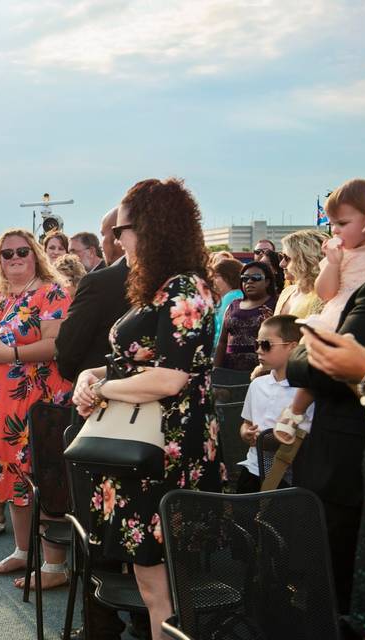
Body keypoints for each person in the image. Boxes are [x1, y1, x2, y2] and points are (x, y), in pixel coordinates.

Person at [73, 178, 224, 637]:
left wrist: (102, 390)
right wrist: (92, 376)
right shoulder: (161, 288)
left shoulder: (184, 290)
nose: (117, 240)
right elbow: (133, 363)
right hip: (147, 446)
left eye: (124, 230)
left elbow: (169, 378)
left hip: (168, 450)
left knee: (162, 588)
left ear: (154, 228)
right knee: (153, 584)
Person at [284, 180, 365, 622]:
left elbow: (315, 363)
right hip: (362, 466)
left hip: (349, 467)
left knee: (341, 590)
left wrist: (363, 374)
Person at [56, 207, 149, 640]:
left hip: (99, 417)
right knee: (148, 528)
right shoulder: (176, 285)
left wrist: (91, 379)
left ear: (114, 237)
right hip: (154, 427)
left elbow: (68, 352)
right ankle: (149, 620)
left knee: (98, 528)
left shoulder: (100, 283)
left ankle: (101, 625)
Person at [0, 228, 73, 590]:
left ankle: (54, 566)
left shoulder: (53, 292)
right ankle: (21, 551)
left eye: (22, 252)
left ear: (36, 255)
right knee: (13, 478)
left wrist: (7, 354)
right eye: (6, 254)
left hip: (35, 404)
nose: (14, 259)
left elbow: (55, 345)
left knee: (41, 479)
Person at [235, 315, 311, 493]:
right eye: (257, 344)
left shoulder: (304, 392)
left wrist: (270, 440)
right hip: (253, 469)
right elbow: (246, 423)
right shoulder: (257, 385)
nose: (259, 351)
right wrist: (246, 433)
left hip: (290, 475)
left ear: (292, 347)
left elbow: (306, 435)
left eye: (266, 345)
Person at [316, 178, 365, 330]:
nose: (335, 230)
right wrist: (333, 264)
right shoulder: (340, 254)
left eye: (342, 223)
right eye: (332, 224)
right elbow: (324, 293)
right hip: (339, 317)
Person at [214, 261, 278, 371]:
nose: (249, 282)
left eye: (256, 277)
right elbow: (222, 342)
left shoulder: (275, 305)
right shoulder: (233, 305)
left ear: (267, 281)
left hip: (260, 371)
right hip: (229, 370)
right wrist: (216, 368)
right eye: (244, 278)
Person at [275, 230, 326, 317]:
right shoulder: (287, 291)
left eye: (286, 257)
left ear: (305, 260)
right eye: (281, 256)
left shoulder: (323, 296)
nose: (281, 264)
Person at [211, 258, 244, 350]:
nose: (213, 280)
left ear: (229, 276)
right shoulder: (238, 294)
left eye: (217, 276)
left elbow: (220, 331)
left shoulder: (230, 297)